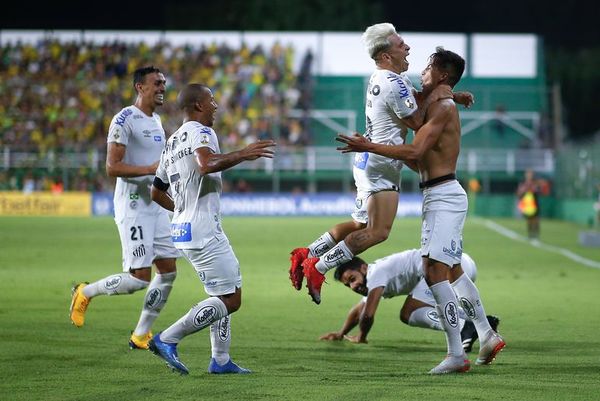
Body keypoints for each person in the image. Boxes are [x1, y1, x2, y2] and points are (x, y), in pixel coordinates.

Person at [336, 47, 505, 374]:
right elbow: (416, 156)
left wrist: (368, 145)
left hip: (444, 196)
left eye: (428, 67)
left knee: (433, 272)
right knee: (452, 271)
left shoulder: (441, 107)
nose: (421, 71)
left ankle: (457, 353)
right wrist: (452, 94)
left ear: (441, 74)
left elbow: (414, 148)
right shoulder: (441, 103)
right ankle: (485, 333)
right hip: (439, 194)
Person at [288, 22, 474, 305]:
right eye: (401, 45)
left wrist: (448, 95)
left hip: (368, 161)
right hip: (381, 163)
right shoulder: (395, 83)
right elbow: (417, 121)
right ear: (386, 55)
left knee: (358, 222)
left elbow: (415, 100)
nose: (407, 47)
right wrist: (442, 96)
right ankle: (319, 266)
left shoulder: (384, 77)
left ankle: (308, 252)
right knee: (377, 232)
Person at [148, 83, 275, 375]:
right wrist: (243, 153)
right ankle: (167, 338)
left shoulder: (171, 143)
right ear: (198, 106)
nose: (216, 106)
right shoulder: (201, 132)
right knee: (231, 299)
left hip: (182, 229)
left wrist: (180, 211)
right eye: (212, 100)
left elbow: (156, 192)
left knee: (222, 290)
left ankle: (220, 360)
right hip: (202, 230)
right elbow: (206, 164)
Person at [69, 66, 181, 351]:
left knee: (168, 271)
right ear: (139, 87)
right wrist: (149, 169)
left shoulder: (156, 120)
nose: (162, 88)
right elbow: (112, 167)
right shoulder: (124, 119)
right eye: (156, 83)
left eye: (164, 83)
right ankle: (85, 291)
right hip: (134, 206)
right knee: (138, 279)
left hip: (156, 204)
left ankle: (141, 334)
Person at [320, 249, 499, 353]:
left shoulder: (375, 274)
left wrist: (361, 337)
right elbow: (360, 310)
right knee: (426, 304)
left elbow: (367, 315)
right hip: (458, 263)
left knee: (409, 312)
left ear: (364, 268)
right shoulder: (374, 276)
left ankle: (463, 327)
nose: (353, 286)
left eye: (352, 279)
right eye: (348, 285)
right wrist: (341, 332)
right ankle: (481, 323)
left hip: (447, 268)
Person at [516, 169, 545, 239]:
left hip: (534, 202)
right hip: (527, 203)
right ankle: (530, 234)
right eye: (527, 174)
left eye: (530, 174)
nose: (529, 175)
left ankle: (536, 234)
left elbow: (540, 191)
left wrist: (534, 188)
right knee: (529, 220)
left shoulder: (535, 182)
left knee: (536, 219)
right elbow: (519, 193)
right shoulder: (523, 183)